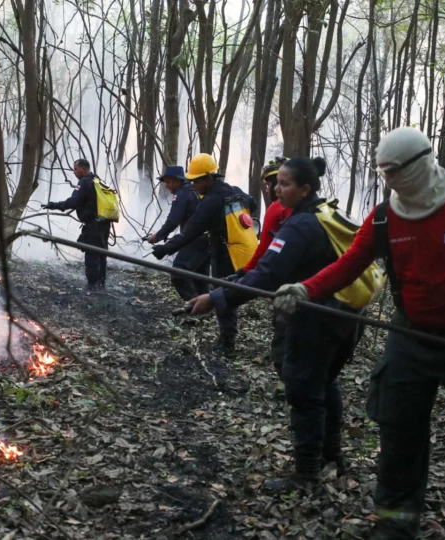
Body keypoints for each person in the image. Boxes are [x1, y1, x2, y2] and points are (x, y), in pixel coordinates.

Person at [276, 127, 445, 539]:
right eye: (383, 172)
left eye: (394, 171)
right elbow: (350, 264)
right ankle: (396, 520)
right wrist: (307, 288)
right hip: (410, 333)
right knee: (398, 429)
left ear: (420, 164)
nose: (389, 180)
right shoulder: (385, 216)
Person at [188, 156, 361, 489]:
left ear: (305, 188)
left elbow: (268, 275)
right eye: (274, 182)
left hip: (316, 320)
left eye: (284, 184)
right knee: (325, 382)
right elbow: (267, 267)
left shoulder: (300, 226)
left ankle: (306, 474)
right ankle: (332, 457)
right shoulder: (322, 214)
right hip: (342, 317)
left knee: (303, 389)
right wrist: (236, 279)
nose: (275, 189)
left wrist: (216, 298)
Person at [152, 153, 258, 355]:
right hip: (241, 249)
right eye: (191, 181)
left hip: (224, 252)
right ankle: (225, 337)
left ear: (209, 178)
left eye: (197, 181)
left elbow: (189, 232)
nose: (194, 185)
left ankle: (227, 344)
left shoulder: (211, 201)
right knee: (224, 291)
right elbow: (252, 204)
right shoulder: (235, 192)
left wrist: (165, 248)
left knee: (223, 292)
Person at [242, 157, 294, 377]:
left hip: (290, 283)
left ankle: (284, 379)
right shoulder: (315, 208)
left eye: (268, 184)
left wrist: (244, 273)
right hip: (321, 287)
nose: (268, 189)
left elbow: (264, 251)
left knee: (283, 327)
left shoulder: (276, 208)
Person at [145, 165, 211, 300]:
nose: (167, 186)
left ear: (177, 180)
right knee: (200, 278)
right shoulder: (195, 190)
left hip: (195, 240)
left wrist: (157, 236)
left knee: (178, 274)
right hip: (209, 240)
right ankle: (205, 313)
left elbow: (173, 221)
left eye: (168, 182)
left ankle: (194, 309)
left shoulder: (182, 193)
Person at [44, 159, 110, 289]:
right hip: (104, 223)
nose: (74, 172)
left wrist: (53, 205)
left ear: (83, 170)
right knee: (101, 253)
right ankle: (101, 283)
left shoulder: (84, 182)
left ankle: (92, 286)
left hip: (93, 225)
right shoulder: (97, 180)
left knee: (91, 254)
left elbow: (73, 202)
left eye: (75, 169)